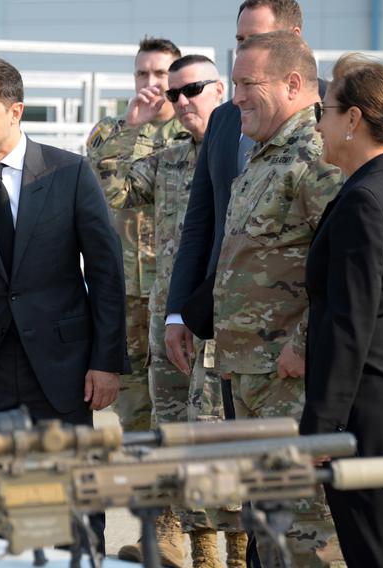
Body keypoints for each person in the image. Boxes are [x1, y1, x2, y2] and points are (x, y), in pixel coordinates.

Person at [0, 56, 127, 555]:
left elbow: (106, 272)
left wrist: (106, 362)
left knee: (74, 499)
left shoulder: (70, 172)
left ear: (16, 111)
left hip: (63, 370)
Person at [106, 54, 247, 568]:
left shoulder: (247, 152)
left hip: (223, 323)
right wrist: (132, 127)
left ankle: (236, 555)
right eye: (175, 94)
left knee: (220, 440)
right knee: (168, 436)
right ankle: (184, 547)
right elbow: (110, 187)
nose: (183, 102)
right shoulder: (170, 158)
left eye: (194, 90)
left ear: (221, 91)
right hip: (168, 327)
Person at [212, 31, 344, 567]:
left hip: (291, 381)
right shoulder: (264, 156)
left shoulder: (315, 155)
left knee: (305, 534)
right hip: (250, 379)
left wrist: (306, 343)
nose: (237, 96)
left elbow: (348, 269)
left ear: (294, 85)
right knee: (267, 531)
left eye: (249, 84)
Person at [300, 54, 383, 568]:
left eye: (323, 112)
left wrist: (323, 425)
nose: (319, 126)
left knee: (376, 550)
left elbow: (351, 323)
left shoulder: (366, 201)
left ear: (352, 120)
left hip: (368, 403)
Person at [166, 0, 323, 381]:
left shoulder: (329, 113)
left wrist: (306, 339)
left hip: (290, 339)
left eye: (256, 37)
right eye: (240, 39)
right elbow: (201, 220)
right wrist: (179, 311)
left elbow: (342, 253)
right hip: (227, 324)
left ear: (293, 39)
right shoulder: (224, 117)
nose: (244, 47)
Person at [87, 38, 189, 566]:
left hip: (175, 297)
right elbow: (101, 191)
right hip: (125, 297)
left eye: (161, 73)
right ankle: (160, 530)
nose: (151, 84)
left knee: (187, 415)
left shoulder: (195, 128)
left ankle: (212, 538)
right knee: (138, 416)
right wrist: (133, 130)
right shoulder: (111, 132)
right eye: (142, 73)